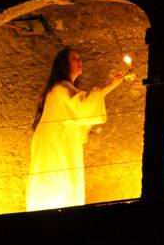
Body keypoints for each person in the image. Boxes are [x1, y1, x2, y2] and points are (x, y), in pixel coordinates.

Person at [26, 47, 125, 211]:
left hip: (61, 145)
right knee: (56, 180)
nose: (80, 62)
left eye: (79, 58)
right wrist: (109, 85)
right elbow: (82, 106)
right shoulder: (59, 89)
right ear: (64, 65)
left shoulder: (64, 89)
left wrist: (111, 85)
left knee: (65, 181)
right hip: (54, 148)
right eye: (74, 59)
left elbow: (80, 109)